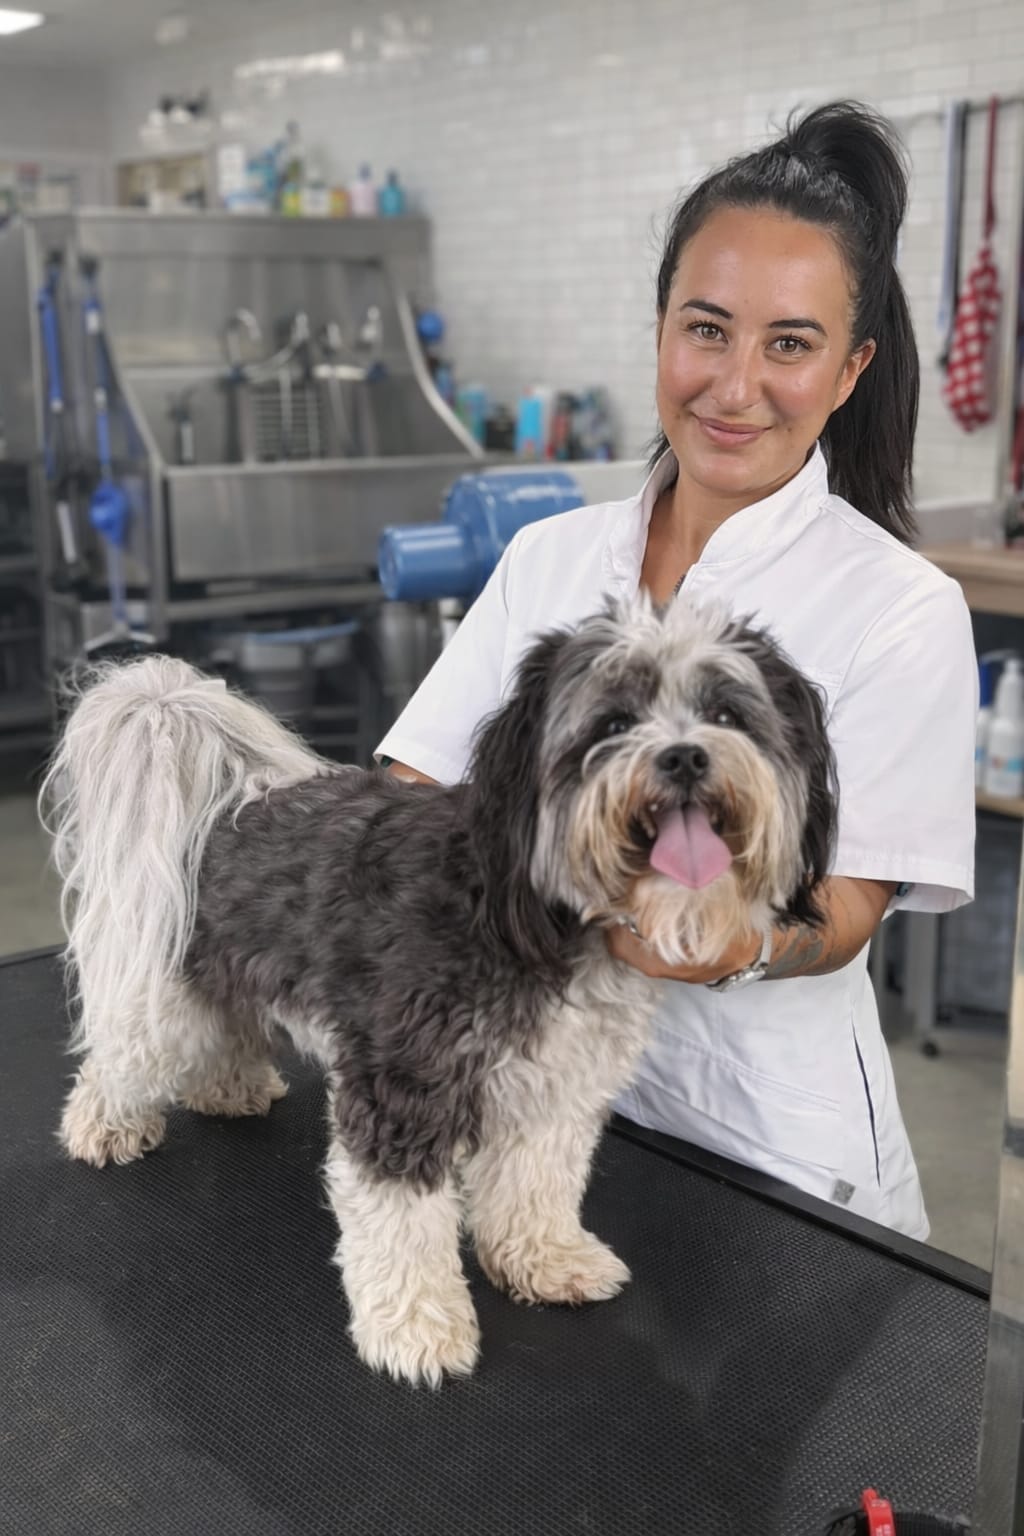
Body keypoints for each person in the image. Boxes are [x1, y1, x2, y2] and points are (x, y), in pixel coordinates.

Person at [376, 101, 976, 1238]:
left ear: (848, 372)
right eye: (706, 328)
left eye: (788, 345)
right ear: (659, 329)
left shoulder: (900, 608)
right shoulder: (550, 557)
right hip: (530, 1108)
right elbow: (415, 790)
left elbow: (844, 911)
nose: (735, 384)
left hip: (768, 1158)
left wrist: (716, 942)